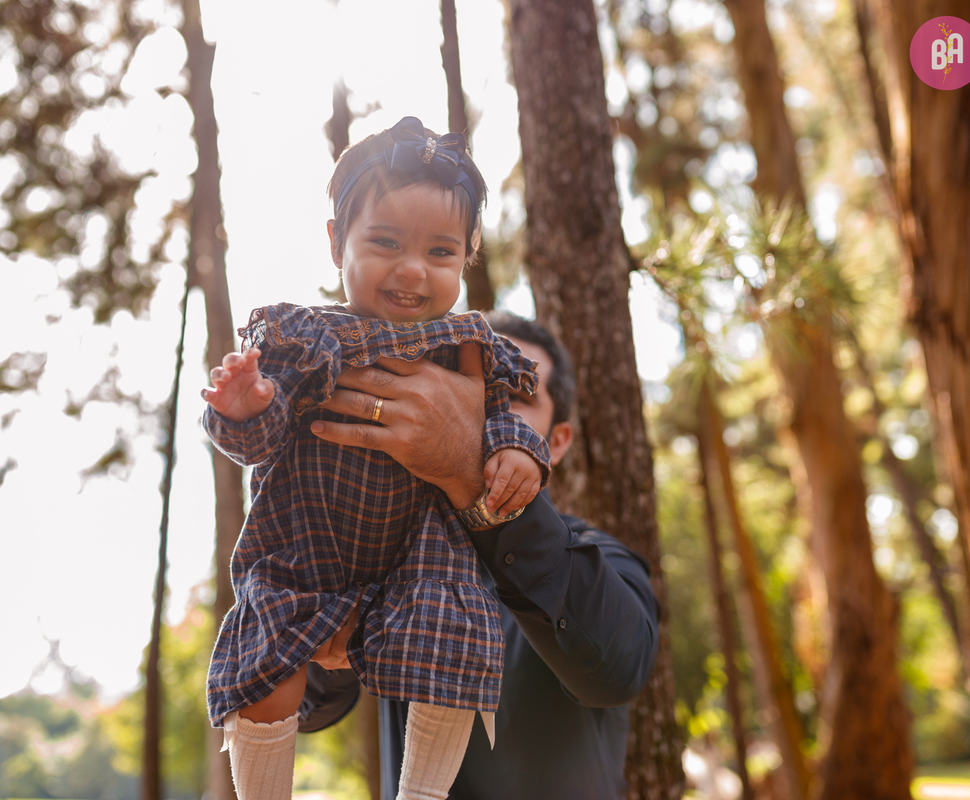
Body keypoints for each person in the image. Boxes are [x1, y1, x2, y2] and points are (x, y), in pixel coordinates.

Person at [200, 117, 552, 800]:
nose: (412, 269)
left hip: (420, 559)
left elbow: (502, 422)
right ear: (337, 241)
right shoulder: (307, 337)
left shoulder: (470, 349)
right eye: (385, 242)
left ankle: (421, 794)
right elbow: (259, 441)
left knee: (455, 640)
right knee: (267, 657)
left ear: (468, 256)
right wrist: (246, 407)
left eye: (441, 251)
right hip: (304, 547)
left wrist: (520, 453)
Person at [299, 312, 661, 800]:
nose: (480, 409)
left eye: (515, 395)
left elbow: (619, 670)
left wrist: (469, 474)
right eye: (463, 385)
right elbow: (309, 709)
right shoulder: (386, 554)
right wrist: (324, 644)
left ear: (556, 443)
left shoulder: (603, 558)